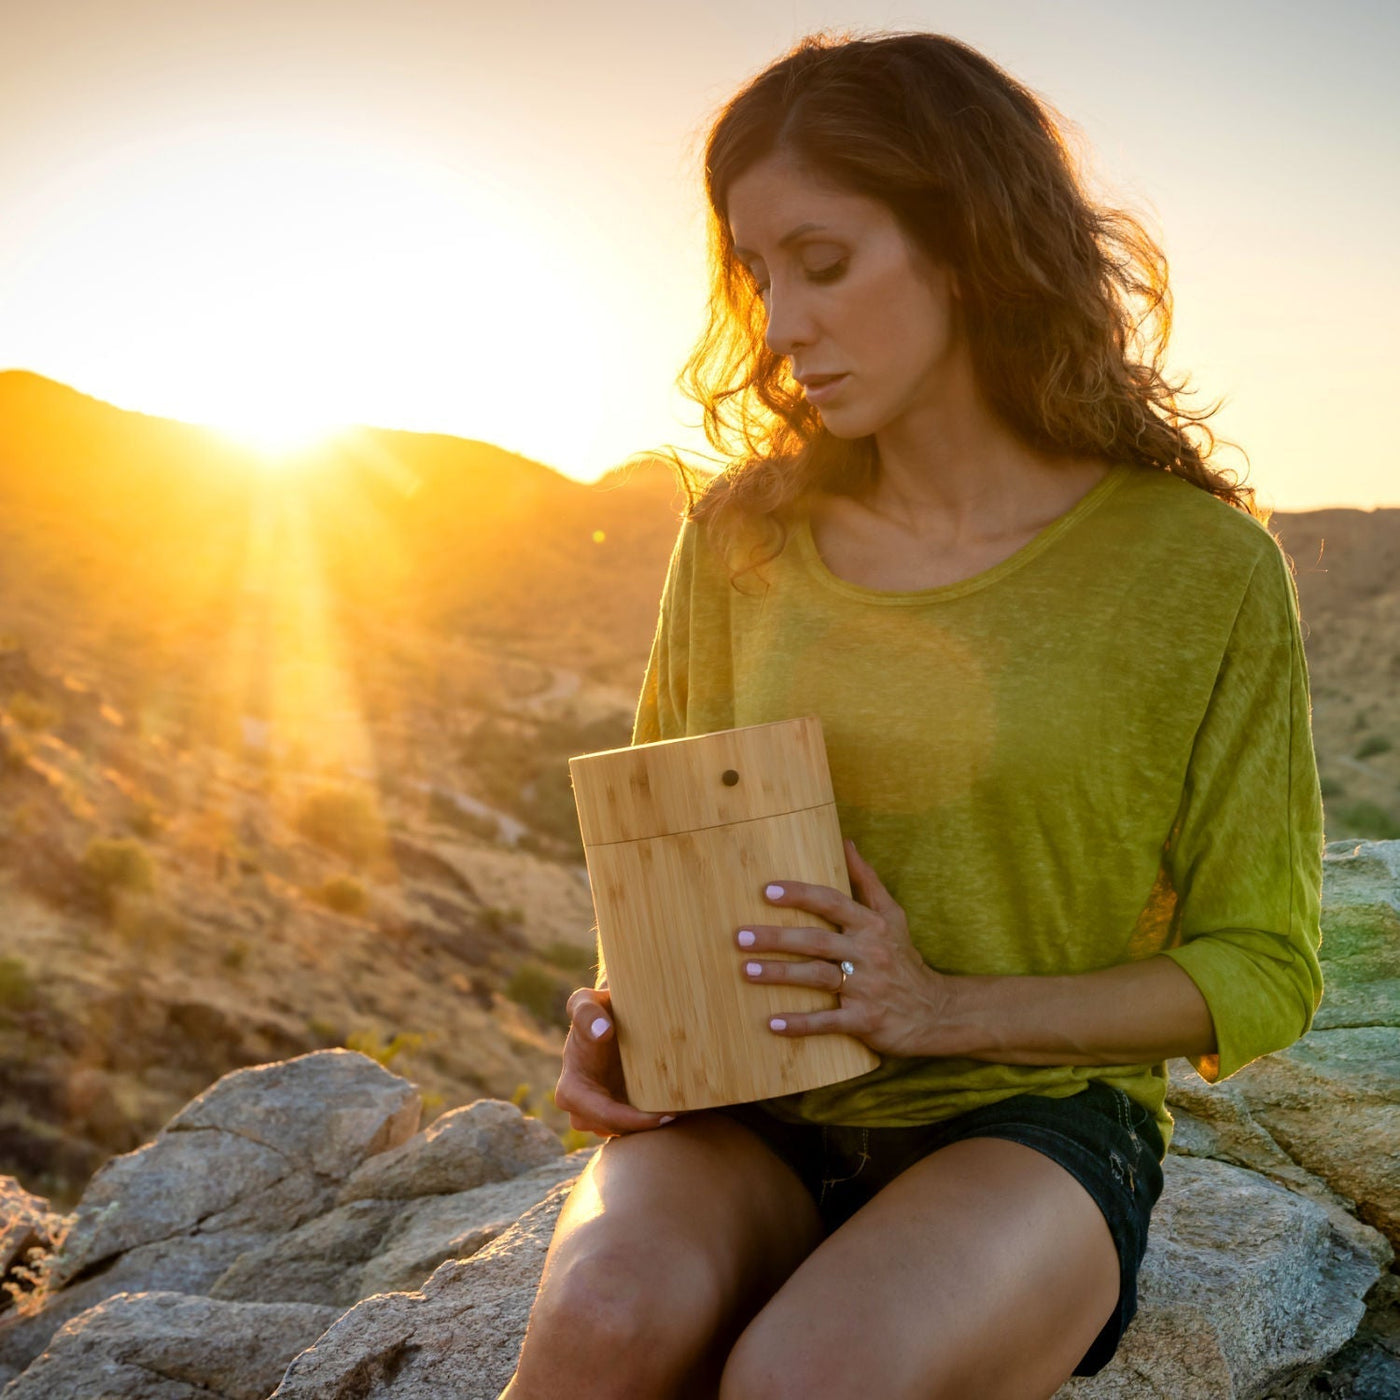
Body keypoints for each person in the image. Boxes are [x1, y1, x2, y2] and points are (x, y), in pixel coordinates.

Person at [500, 28, 1324, 1400]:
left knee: (815, 1375)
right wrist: (622, 1021)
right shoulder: (741, 541)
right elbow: (667, 849)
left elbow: (1264, 970)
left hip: (1025, 1128)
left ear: (971, 242)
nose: (783, 322)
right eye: (759, 275)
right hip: (741, 1112)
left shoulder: (1203, 573)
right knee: (603, 1311)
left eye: (824, 264)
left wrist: (939, 1007)